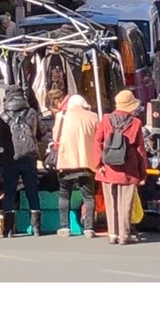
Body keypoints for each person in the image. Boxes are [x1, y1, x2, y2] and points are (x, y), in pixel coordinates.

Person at [94, 89, 148, 246]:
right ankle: (124, 234)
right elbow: (140, 150)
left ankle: (113, 234)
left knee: (111, 201)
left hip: (108, 166)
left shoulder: (106, 119)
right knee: (126, 202)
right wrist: (142, 172)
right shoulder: (136, 123)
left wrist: (98, 164)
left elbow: (97, 142)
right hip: (129, 166)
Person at [0, 84, 50, 237]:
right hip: (29, 157)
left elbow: (0, 138)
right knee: (32, 192)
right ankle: (36, 229)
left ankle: (8, 230)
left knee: (9, 192)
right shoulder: (31, 113)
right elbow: (42, 132)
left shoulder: (4, 116)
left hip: (10, 158)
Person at [52, 93, 99, 238]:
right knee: (89, 196)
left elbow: (55, 138)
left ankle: (65, 227)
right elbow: (99, 139)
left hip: (66, 161)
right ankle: (89, 228)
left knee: (64, 194)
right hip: (87, 162)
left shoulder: (62, 116)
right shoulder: (94, 117)